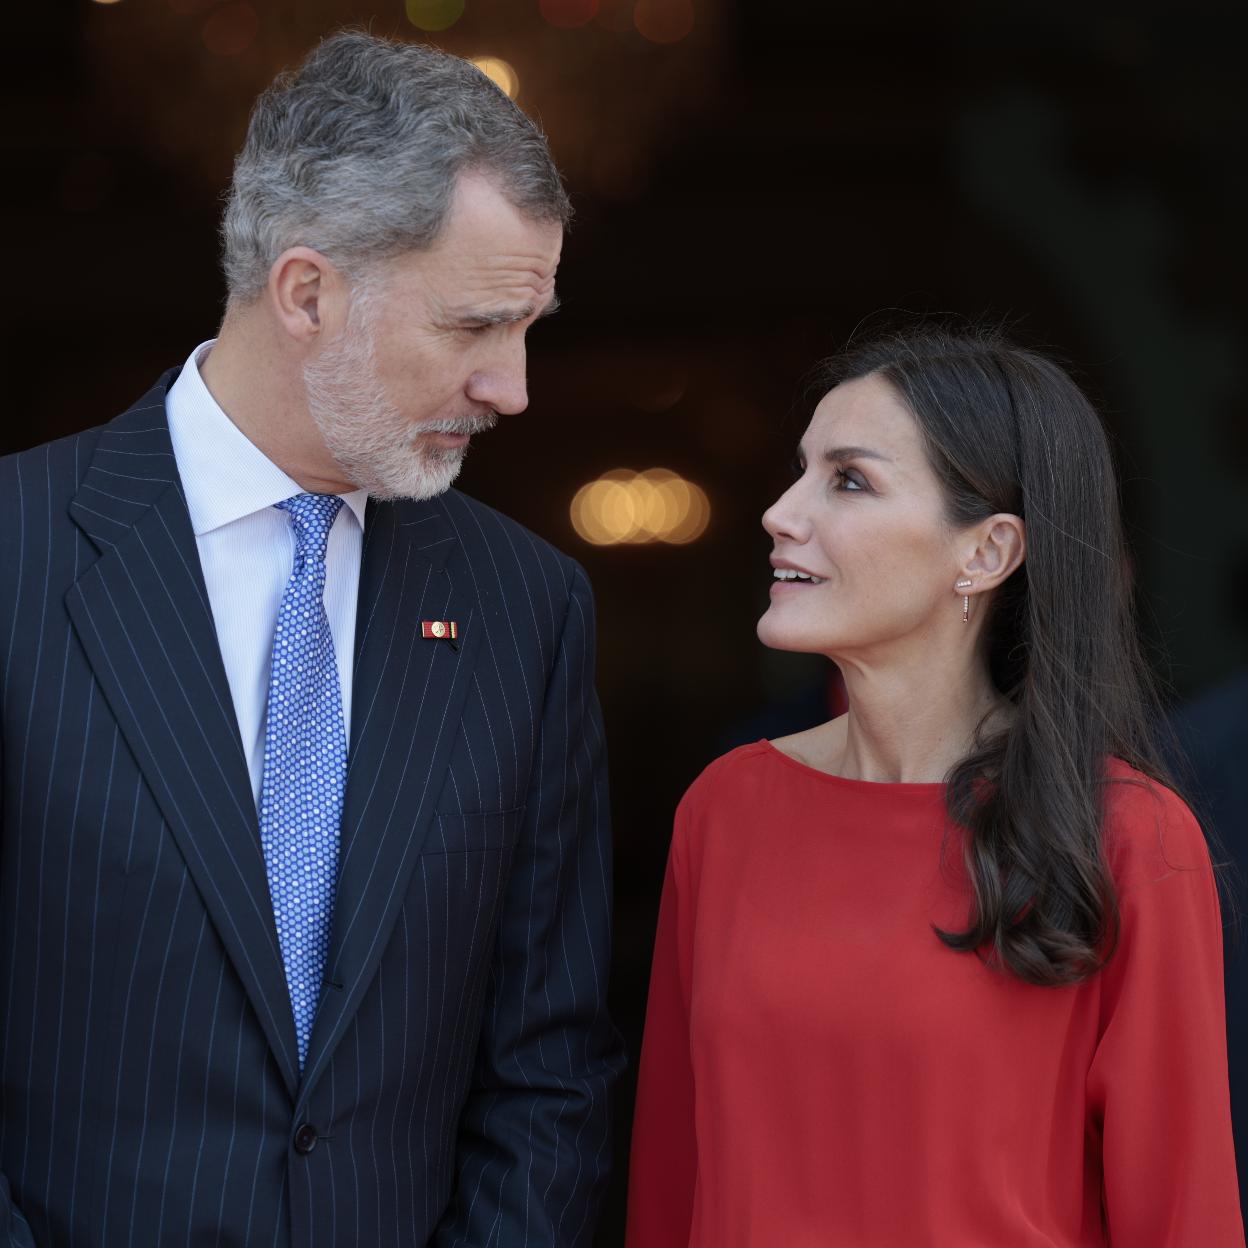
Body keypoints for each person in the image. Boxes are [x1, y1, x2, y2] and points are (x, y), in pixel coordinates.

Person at [0, 31, 623, 1248]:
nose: (516, 387)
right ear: (305, 292)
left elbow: (552, 1068)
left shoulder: (527, 607)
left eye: (531, 325)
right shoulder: (14, 554)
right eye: (475, 326)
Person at [626, 325, 1245, 1246]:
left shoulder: (1127, 833)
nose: (780, 512)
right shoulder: (725, 809)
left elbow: (1181, 1213)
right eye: (801, 470)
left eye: (849, 480)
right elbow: (671, 1181)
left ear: (987, 553)